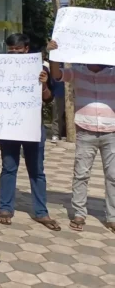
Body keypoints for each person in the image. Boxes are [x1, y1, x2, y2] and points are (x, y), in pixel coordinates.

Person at [0, 33, 58, 230]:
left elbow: (48, 99)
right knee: (8, 168)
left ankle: (41, 212)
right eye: (11, 49)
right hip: (8, 126)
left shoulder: (40, 68)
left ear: (26, 49)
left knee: (37, 171)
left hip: (32, 126)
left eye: (18, 49)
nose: (14, 52)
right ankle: (5, 208)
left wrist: (44, 84)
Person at [47, 39, 114, 232]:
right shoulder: (77, 71)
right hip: (85, 131)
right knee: (81, 174)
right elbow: (57, 75)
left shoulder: (113, 73)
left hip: (111, 132)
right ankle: (79, 213)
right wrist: (54, 55)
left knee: (113, 176)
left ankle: (112, 217)